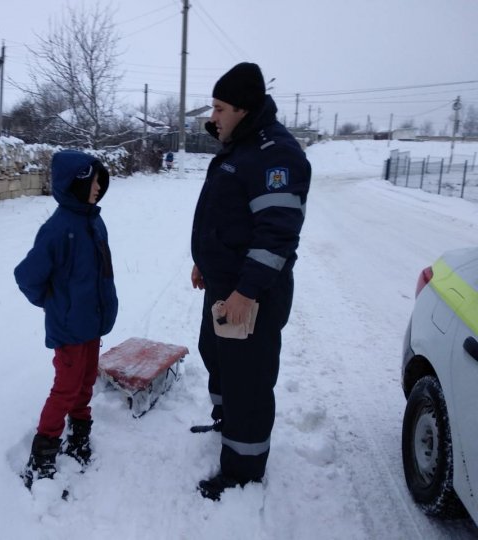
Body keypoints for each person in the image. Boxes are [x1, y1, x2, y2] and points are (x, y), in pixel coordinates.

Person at [190, 62, 311, 500]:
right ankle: (227, 424)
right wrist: (205, 260)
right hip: (225, 285)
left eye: (220, 108)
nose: (213, 116)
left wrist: (246, 291)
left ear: (243, 108)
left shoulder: (275, 152)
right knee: (217, 356)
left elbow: (277, 233)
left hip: (251, 294)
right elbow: (226, 215)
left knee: (248, 381)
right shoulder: (240, 148)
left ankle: (242, 468)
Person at [14, 149, 118, 490]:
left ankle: (79, 435)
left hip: (92, 323)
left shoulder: (94, 220)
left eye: (101, 182)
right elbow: (27, 276)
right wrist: (53, 303)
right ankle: (43, 453)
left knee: (86, 382)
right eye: (92, 183)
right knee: (66, 388)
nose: (98, 188)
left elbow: (102, 272)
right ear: (73, 185)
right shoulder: (58, 229)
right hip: (70, 327)